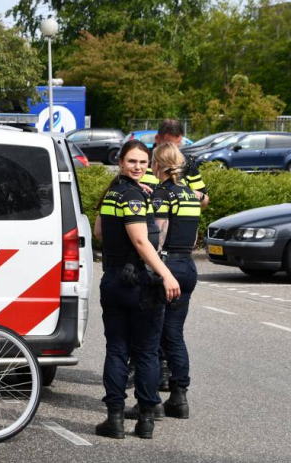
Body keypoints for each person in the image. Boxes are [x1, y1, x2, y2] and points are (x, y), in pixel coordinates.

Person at [94, 139, 181, 440]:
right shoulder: (134, 196)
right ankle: (145, 421)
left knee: (117, 349)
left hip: (113, 279)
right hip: (140, 283)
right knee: (145, 353)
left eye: (143, 162)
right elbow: (142, 241)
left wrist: (132, 194)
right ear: (120, 161)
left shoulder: (113, 193)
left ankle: (114, 420)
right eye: (132, 161)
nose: (138, 167)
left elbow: (99, 232)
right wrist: (167, 275)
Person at [150, 142, 200, 419]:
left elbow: (159, 234)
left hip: (167, 265)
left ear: (157, 164)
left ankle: (152, 397)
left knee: (154, 333)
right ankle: (179, 397)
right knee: (175, 334)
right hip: (187, 264)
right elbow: (192, 237)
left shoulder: (161, 195)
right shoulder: (191, 195)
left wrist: (154, 267)